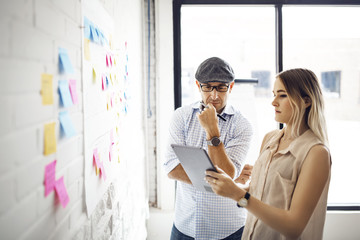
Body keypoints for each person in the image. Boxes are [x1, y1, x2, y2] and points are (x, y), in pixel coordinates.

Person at [204, 68, 331, 240]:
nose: (273, 102)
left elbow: (294, 227)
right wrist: (230, 187)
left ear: (306, 100)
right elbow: (262, 193)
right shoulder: (270, 139)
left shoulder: (316, 153)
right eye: (273, 94)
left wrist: (237, 194)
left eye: (282, 95)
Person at [164, 57, 253, 239]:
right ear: (198, 85)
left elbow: (227, 172)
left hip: (227, 230)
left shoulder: (242, 125)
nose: (214, 95)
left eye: (221, 87)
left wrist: (212, 132)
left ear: (231, 86)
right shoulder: (181, 117)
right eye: (207, 87)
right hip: (185, 226)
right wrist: (229, 183)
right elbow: (172, 169)